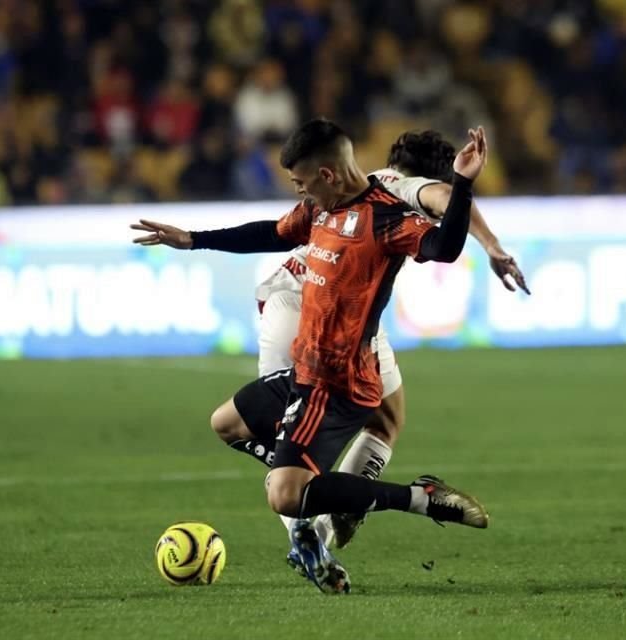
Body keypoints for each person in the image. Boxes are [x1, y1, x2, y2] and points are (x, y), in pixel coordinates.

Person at [132, 119, 489, 594]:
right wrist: (194, 238)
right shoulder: (320, 210)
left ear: (328, 173)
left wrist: (462, 184)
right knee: (227, 423)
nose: (298, 191)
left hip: (337, 384)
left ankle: (418, 499)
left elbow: (443, 248)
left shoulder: (384, 218)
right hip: (304, 372)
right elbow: (273, 233)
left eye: (301, 182)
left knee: (285, 495)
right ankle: (309, 500)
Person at [253, 129, 529, 552]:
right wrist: (483, 230)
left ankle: (313, 533)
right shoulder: (405, 186)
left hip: (286, 299)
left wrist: (490, 243)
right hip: (328, 310)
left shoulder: (365, 181)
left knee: (289, 434)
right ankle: (321, 530)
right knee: (380, 423)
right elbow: (442, 197)